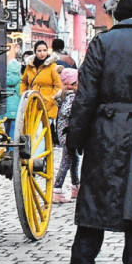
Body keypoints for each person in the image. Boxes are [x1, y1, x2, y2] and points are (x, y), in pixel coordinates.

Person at [53, 0, 132, 264]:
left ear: (119, 17)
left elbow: (86, 96)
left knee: (93, 206)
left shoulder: (102, 44)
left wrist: (75, 138)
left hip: (107, 133)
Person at [20, 40, 63, 129]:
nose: (42, 53)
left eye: (44, 50)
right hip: (32, 103)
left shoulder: (52, 66)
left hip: (47, 105)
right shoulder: (29, 66)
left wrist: (50, 99)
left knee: (41, 134)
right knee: (31, 133)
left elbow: (58, 86)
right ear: (35, 52)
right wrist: (24, 95)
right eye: (39, 51)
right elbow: (24, 82)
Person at [53, 67, 80, 203]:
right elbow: (67, 112)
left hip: (65, 131)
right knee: (66, 160)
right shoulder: (71, 96)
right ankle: (57, 189)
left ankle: (76, 186)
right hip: (68, 133)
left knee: (74, 159)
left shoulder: (63, 94)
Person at [3, 39, 23, 138]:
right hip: (16, 106)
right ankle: (11, 149)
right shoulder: (19, 75)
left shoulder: (2, 73)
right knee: (14, 131)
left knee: (4, 129)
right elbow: (20, 91)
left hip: (4, 106)